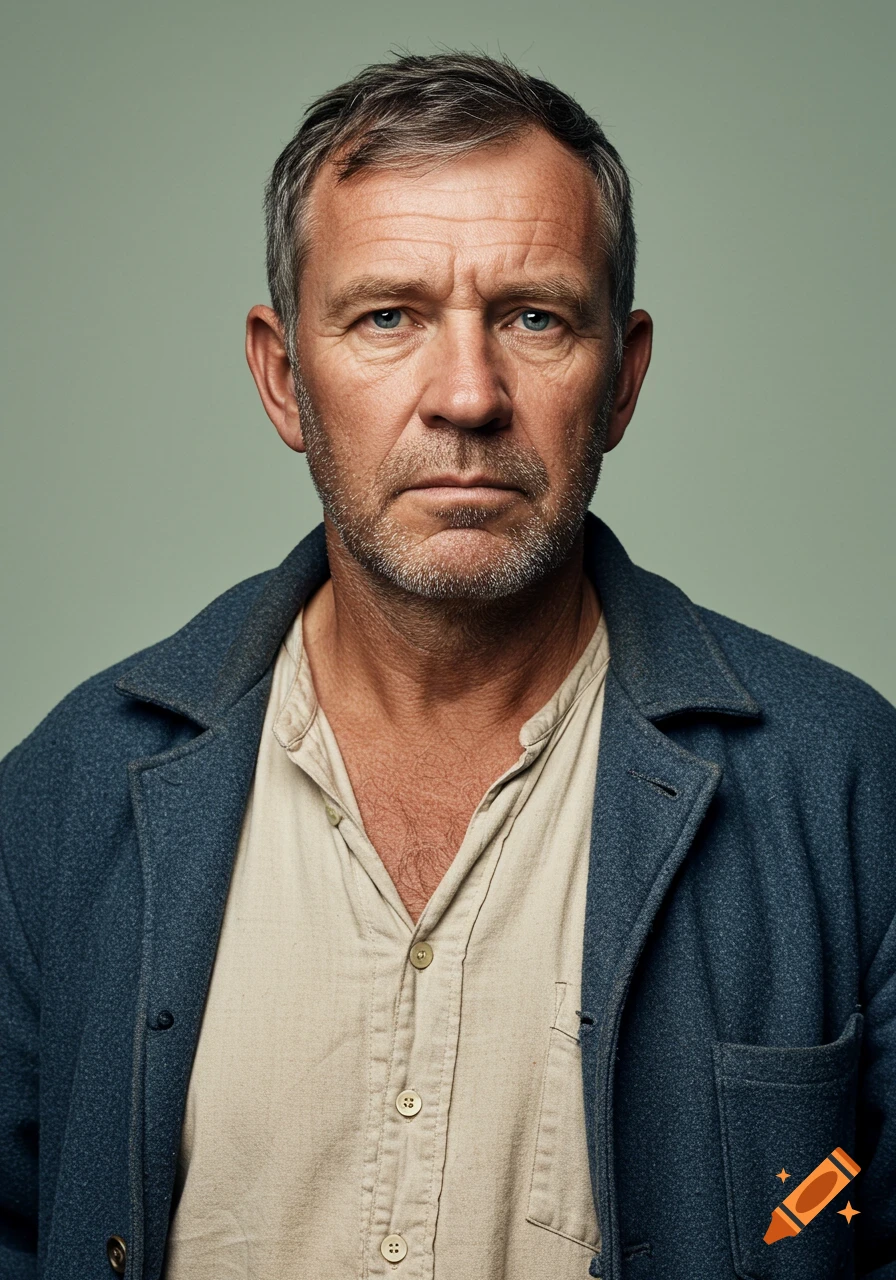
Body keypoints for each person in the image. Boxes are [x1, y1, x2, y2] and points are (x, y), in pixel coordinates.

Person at [1, 51, 893, 1280]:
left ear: (622, 376)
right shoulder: (61, 796)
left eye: (534, 316)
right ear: (282, 376)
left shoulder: (847, 785)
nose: (466, 395)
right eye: (388, 316)